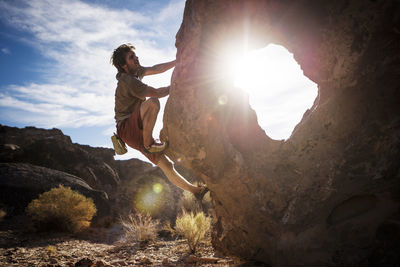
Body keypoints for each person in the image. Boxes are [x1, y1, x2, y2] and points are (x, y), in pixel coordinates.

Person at [111, 43, 207, 199]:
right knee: (153, 102)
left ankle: (196, 192)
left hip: (136, 129)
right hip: (127, 127)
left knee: (167, 165)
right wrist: (176, 86)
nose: (136, 58)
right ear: (124, 66)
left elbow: (157, 68)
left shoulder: (137, 71)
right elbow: (155, 92)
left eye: (135, 55)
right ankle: (149, 144)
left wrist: (178, 61)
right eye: (131, 57)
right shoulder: (128, 81)